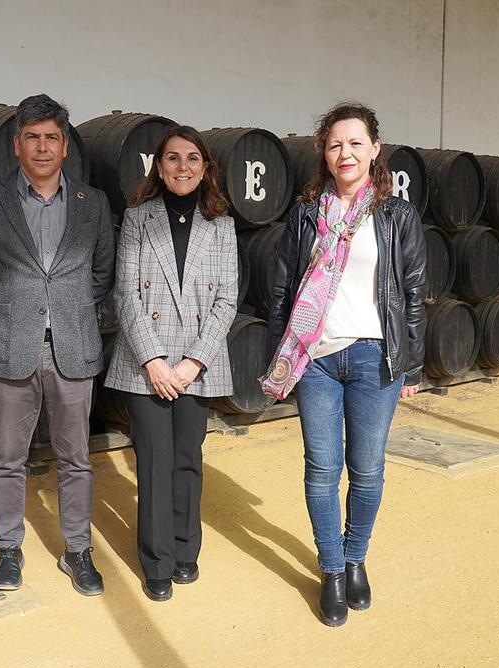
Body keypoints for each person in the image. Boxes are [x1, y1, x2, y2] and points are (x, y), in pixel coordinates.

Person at [261, 102, 426, 627]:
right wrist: (280, 355)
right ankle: (331, 568)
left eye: (356, 143)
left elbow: (415, 292)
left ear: (375, 149)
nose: (345, 153)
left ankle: (357, 559)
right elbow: (283, 288)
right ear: (325, 155)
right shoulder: (306, 214)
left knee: (368, 470)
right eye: (335, 144)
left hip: (377, 359)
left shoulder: (397, 215)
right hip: (317, 360)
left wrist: (413, 364)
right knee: (321, 469)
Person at [0, 94, 116, 596]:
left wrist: (62, 308)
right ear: (16, 145)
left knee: (77, 459)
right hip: (9, 347)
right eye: (32, 138)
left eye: (51, 137)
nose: (42, 147)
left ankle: (77, 550)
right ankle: (9, 549)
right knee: (7, 458)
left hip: (73, 346)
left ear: (65, 146)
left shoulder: (94, 203)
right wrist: (16, 310)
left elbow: (102, 274)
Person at [103, 126, 238, 601]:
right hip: (147, 364)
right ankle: (157, 563)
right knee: (154, 463)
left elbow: (227, 299)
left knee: (187, 461)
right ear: (158, 168)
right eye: (174, 158)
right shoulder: (138, 219)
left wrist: (191, 364)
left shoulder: (221, 224)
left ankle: (185, 552)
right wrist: (156, 361)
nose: (183, 167)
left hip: (196, 365)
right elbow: (125, 293)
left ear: (206, 169)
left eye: (193, 158)